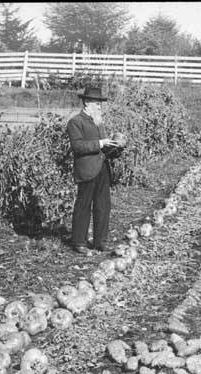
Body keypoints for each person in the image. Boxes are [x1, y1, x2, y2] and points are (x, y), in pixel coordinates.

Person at [66, 86, 124, 255]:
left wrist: (117, 147)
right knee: (83, 206)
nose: (100, 107)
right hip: (86, 170)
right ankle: (79, 242)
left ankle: (100, 242)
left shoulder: (98, 122)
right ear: (87, 103)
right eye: (97, 104)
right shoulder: (75, 122)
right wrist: (101, 143)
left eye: (100, 104)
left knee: (103, 206)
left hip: (102, 168)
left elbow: (105, 149)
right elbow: (77, 146)